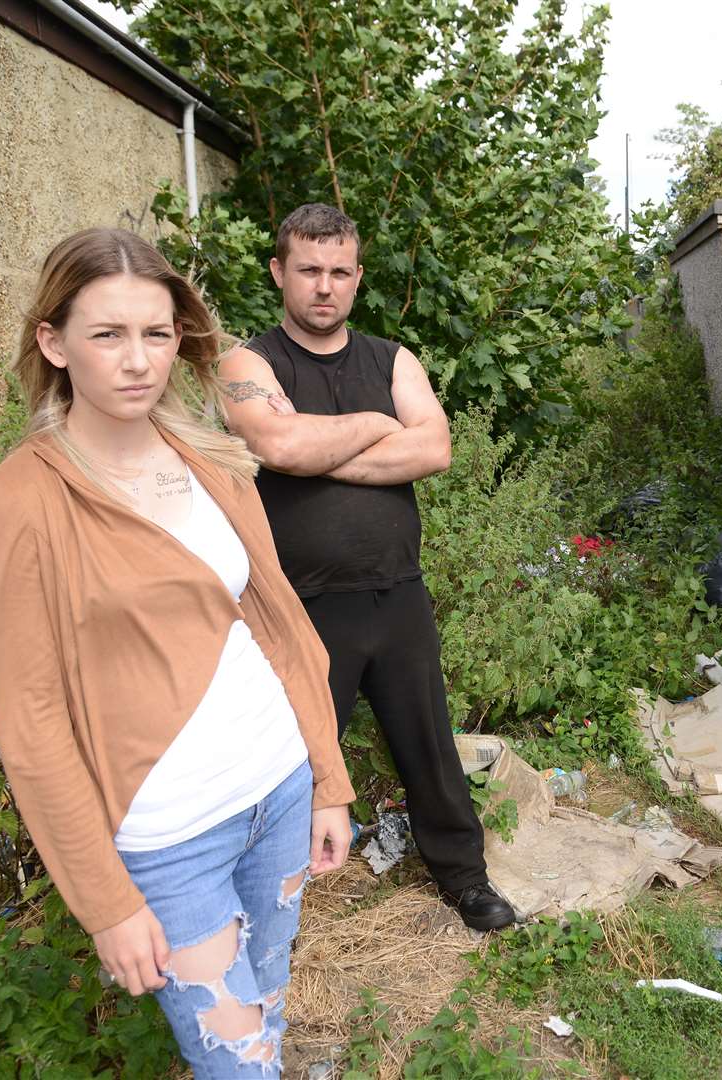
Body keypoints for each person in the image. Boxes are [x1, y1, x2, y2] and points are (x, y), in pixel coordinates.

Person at [0, 228, 356, 1078]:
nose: (138, 360)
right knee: (235, 1063)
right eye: (108, 334)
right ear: (54, 343)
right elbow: (30, 725)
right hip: (169, 838)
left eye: (157, 333)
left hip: (278, 790)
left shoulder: (212, 460)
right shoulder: (13, 503)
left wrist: (326, 776)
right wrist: (105, 902)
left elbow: (281, 626)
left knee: (268, 1019)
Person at [217, 203, 514, 931]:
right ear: (279, 272)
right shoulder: (246, 363)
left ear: (357, 278)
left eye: (340, 271)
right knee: (287, 761)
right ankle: (267, 895)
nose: (325, 285)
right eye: (309, 270)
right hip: (301, 602)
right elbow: (276, 446)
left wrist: (320, 445)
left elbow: (435, 449)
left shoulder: (391, 359)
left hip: (397, 593)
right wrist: (383, 427)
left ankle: (464, 878)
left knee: (430, 745)